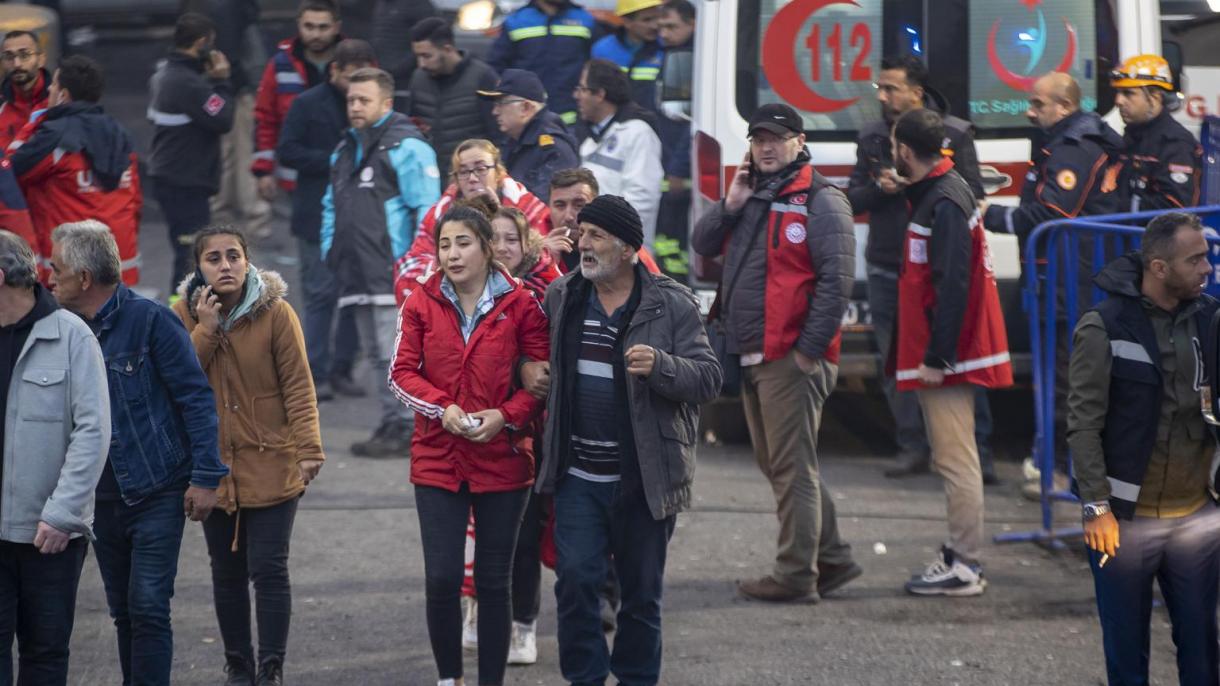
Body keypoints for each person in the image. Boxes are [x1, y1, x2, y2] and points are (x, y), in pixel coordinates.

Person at [532, 194, 720, 685]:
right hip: (578, 476)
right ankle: (586, 678)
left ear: (630, 249)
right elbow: (528, 353)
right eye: (583, 234)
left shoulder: (671, 303)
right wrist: (524, 369)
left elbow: (709, 379)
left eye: (596, 236)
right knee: (575, 583)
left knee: (641, 596)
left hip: (644, 478)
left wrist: (663, 367)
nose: (583, 244)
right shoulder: (564, 295)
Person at [691, 103, 860, 603]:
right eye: (758, 138)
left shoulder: (821, 199)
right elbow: (704, 243)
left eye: (776, 138)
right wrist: (731, 203)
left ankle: (795, 575)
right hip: (755, 351)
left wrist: (808, 352)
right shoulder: (756, 193)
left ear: (799, 141)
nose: (766, 147)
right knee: (784, 464)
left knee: (789, 467)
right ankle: (831, 557)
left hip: (789, 355)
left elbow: (837, 283)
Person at [47, 221, 228, 686]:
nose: (49, 277)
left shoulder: (150, 320)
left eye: (57, 268)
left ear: (84, 278)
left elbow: (194, 396)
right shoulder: (59, 330)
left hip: (157, 491)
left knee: (148, 607)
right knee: (124, 612)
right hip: (99, 500)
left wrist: (207, 477)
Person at [389, 205, 550, 686]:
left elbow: (541, 382)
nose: (452, 254)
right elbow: (401, 373)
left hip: (504, 454)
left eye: (463, 243)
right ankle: (448, 679)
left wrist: (506, 416)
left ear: (486, 247)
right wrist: (444, 409)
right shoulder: (420, 301)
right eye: (444, 244)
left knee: (493, 581)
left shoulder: (522, 304)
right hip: (438, 455)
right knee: (441, 578)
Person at [1068, 211, 1220, 685]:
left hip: (1197, 518)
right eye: (1195, 260)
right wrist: (1096, 506)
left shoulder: (1211, 319)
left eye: (1207, 257)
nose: (1207, 268)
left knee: (1202, 649)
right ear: (1158, 267)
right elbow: (1083, 423)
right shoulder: (1105, 326)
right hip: (1123, 525)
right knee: (1127, 654)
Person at [171, 226, 323, 686]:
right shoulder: (181, 315)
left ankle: (271, 668)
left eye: (233, 256)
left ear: (247, 261)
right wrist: (206, 332)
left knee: (269, 568)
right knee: (226, 572)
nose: (225, 265)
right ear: (199, 268)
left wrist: (309, 448)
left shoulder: (276, 313)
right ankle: (239, 666)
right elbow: (178, 383)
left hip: (272, 460)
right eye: (213, 258)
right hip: (212, 467)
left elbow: (299, 385)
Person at [845, 54, 995, 483]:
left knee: (961, 355)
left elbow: (973, 193)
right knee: (897, 361)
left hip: (937, 265)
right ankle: (912, 446)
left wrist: (923, 182)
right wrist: (880, 186)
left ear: (917, 90)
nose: (883, 95)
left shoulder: (955, 133)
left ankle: (977, 453)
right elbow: (852, 199)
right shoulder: (873, 135)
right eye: (880, 87)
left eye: (891, 87)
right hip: (888, 263)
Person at [981, 71, 1122, 499]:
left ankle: (1063, 470)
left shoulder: (1072, 149)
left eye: (1038, 103)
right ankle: (1056, 463)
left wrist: (986, 214)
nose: (1030, 110)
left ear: (1064, 106)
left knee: (1067, 379)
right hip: (1065, 276)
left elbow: (1049, 215)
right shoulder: (1067, 142)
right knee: (1063, 376)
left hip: (1069, 279)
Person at [890, 109, 1013, 596]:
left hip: (948, 355)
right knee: (955, 458)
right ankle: (961, 555)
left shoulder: (942, 200)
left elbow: (952, 283)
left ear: (903, 150)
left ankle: (965, 564)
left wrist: (938, 358)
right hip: (949, 351)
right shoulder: (943, 192)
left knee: (956, 460)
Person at [0, 230, 109, 686]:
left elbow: (94, 431)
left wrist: (63, 513)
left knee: (45, 653)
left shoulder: (71, 337)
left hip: (49, 535)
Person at [321, 67, 440, 457]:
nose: (354, 106)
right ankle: (393, 422)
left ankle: (408, 424)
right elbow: (330, 206)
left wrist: (414, 263)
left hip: (394, 271)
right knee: (375, 355)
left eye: (363, 100)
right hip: (355, 270)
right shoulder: (342, 149)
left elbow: (427, 209)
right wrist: (330, 249)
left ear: (386, 103)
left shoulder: (407, 147)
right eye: (351, 99)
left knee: (397, 353)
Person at [277, 38, 376, 402]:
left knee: (352, 294)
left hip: (360, 216)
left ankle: (342, 370)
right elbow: (287, 150)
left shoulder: (371, 109)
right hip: (315, 213)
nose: (355, 90)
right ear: (334, 71)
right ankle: (314, 374)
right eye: (350, 79)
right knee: (320, 294)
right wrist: (333, 162)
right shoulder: (307, 104)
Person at [10, 55, 143, 286]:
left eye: (54, 85)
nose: (49, 89)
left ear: (63, 95)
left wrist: (34, 122)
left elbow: (9, 171)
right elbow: (136, 202)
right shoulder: (120, 135)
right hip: (121, 265)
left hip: (70, 273)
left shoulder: (53, 137)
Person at [393, 138, 552, 303]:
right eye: (463, 172)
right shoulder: (439, 215)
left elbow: (543, 262)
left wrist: (496, 215)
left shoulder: (528, 207)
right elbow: (412, 265)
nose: (472, 178)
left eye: (481, 169)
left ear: (498, 173)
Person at [148, 12, 237, 297]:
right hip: (184, 182)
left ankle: (183, 314)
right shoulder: (187, 83)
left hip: (173, 177)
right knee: (189, 255)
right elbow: (223, 118)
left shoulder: (165, 75)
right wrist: (222, 81)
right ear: (201, 43)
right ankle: (182, 317)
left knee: (188, 251)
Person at [184, 0, 271, 238]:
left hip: (223, 86)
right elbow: (239, 45)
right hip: (236, 87)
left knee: (226, 155)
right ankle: (253, 221)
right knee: (242, 152)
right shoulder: (230, 7)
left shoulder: (212, 7)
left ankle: (224, 218)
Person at [252, 0, 342, 201]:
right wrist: (263, 170)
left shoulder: (354, 61)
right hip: (298, 177)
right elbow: (265, 118)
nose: (316, 34)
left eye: (323, 27)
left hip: (346, 175)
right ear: (298, 24)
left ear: (337, 27)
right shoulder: (280, 65)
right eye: (309, 26)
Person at [574, 59, 662, 248]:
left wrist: (610, 234)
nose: (577, 95)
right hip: (596, 244)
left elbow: (641, 198)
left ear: (599, 94)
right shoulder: (589, 137)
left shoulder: (638, 133)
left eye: (582, 89)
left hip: (624, 249)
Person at [408, 17, 500, 182]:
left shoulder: (482, 77)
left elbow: (498, 134)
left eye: (426, 56)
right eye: (418, 56)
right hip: (430, 179)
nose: (421, 63)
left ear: (448, 49)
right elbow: (412, 128)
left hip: (472, 180)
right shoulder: (418, 79)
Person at [1110, 54, 1201, 212]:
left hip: (1154, 236)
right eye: (1118, 92)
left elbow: (1174, 208)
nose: (1118, 101)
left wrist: (1113, 208)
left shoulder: (1175, 143)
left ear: (1155, 97)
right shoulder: (1133, 135)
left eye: (1128, 93)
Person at [487, 0, 596, 126]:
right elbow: (496, 68)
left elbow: (597, 69)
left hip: (575, 121)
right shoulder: (516, 21)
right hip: (528, 122)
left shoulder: (585, 20)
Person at [478, 68, 579, 203]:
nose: (494, 111)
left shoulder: (553, 148)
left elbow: (543, 203)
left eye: (501, 103)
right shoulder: (513, 142)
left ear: (525, 107)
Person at [544, 166, 663, 276]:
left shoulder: (623, 249)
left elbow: (657, 294)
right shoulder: (533, 247)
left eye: (579, 205)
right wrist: (544, 261)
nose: (568, 216)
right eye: (560, 206)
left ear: (596, 205)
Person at [653, 0, 694, 279]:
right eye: (661, 27)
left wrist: (678, 168)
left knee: (676, 229)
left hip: (681, 165)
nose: (663, 33)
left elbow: (693, 123)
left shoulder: (693, 60)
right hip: (668, 157)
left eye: (671, 26)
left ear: (692, 23)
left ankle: (677, 281)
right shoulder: (672, 54)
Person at [591, 0, 664, 112]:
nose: (654, 26)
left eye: (656, 18)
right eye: (647, 20)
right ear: (627, 22)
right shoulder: (603, 49)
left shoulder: (664, 48)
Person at [0, 31, 49, 151]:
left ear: (41, 59)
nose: (16, 64)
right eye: (8, 57)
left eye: (25, 55)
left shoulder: (60, 101)